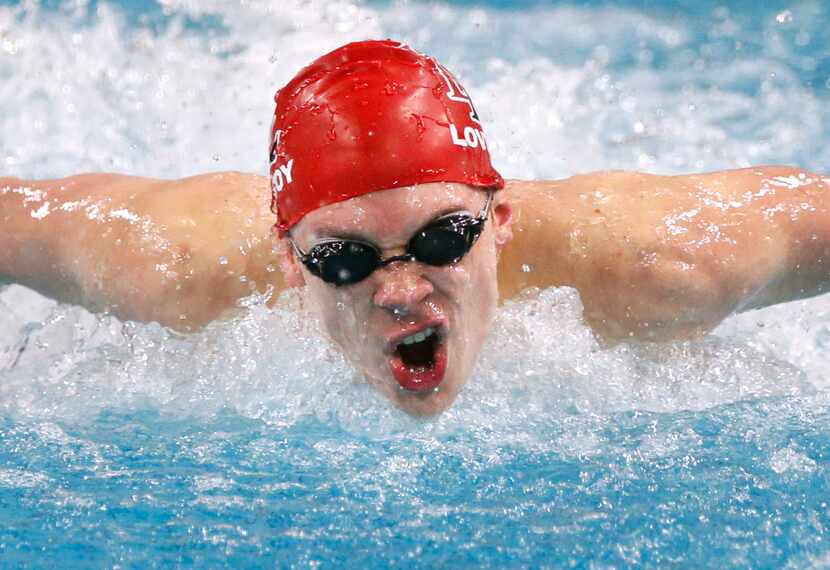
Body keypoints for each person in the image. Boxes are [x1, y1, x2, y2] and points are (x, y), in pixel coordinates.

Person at [1, 40, 828, 415]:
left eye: (440, 241)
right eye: (344, 258)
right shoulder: (174, 266)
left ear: (500, 220)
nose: (399, 289)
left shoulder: (658, 258)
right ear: (288, 261)